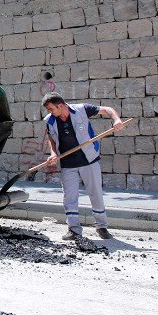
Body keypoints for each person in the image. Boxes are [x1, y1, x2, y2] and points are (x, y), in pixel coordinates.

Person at [42, 92, 125, 241]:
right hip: (68, 163)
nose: (50, 112)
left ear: (60, 105)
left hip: (89, 160)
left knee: (96, 193)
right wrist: (53, 154)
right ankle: (74, 230)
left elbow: (107, 109)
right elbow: (52, 140)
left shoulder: (82, 109)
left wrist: (117, 120)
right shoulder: (50, 121)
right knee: (69, 197)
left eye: (51, 109)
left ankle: (101, 227)